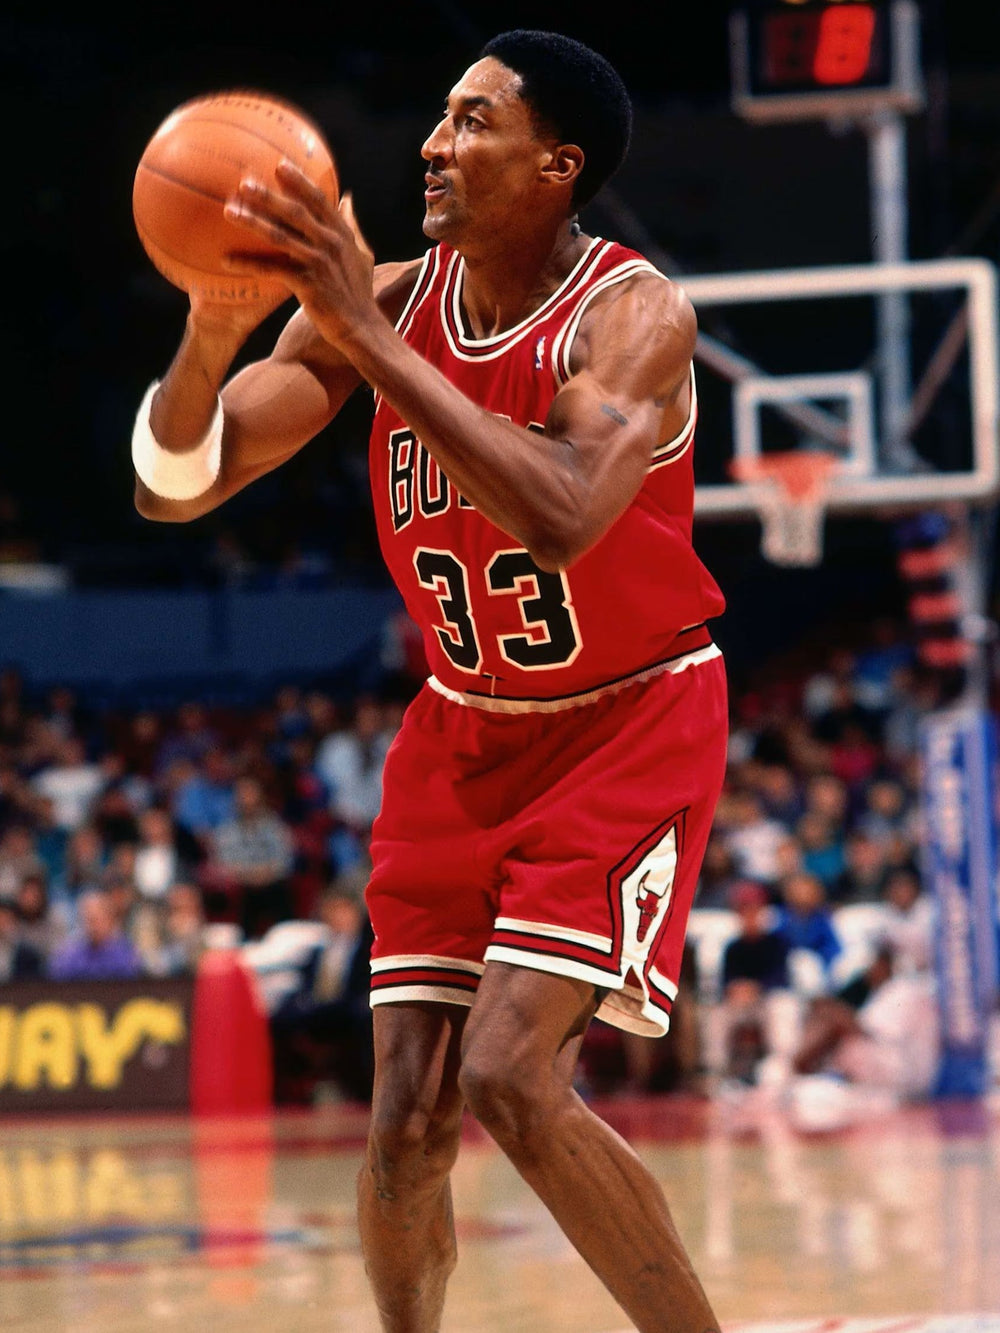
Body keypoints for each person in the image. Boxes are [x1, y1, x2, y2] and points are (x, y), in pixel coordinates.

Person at [129, 30, 727, 1333]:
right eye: (442, 115)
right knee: (405, 1121)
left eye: (474, 120)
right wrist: (209, 335)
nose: (433, 144)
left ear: (556, 166)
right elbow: (176, 485)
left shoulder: (633, 316)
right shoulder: (387, 305)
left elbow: (564, 513)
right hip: (460, 730)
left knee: (511, 1073)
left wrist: (369, 340)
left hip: (624, 721)